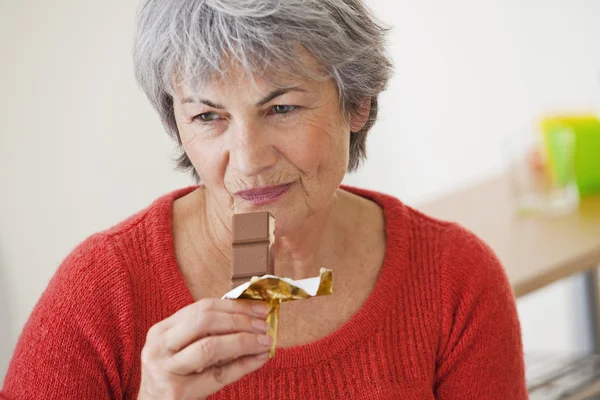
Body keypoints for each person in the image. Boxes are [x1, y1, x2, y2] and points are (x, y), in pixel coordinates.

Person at [0, 0, 528, 399]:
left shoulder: (455, 280)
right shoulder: (101, 289)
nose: (248, 160)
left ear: (359, 104)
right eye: (209, 116)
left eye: (282, 108)